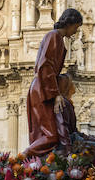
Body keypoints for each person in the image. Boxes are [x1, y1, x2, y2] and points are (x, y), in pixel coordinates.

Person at [23, 9, 84, 156]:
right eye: (75, 27)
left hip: (43, 87)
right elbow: (46, 66)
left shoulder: (56, 38)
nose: (75, 32)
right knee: (51, 136)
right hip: (43, 88)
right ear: (69, 23)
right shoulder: (54, 36)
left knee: (44, 134)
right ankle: (21, 158)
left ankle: (31, 160)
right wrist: (56, 94)